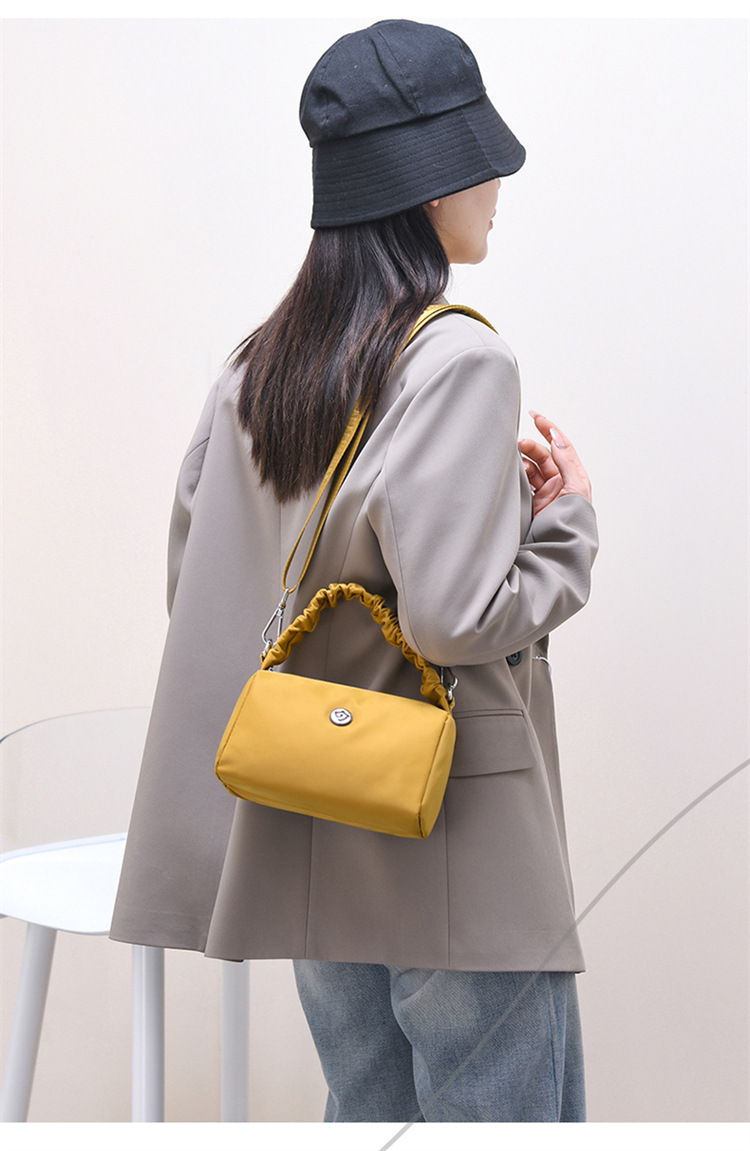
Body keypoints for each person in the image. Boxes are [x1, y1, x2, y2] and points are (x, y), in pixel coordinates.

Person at [110, 19, 598, 1123]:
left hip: (310, 816)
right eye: (483, 162)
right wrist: (564, 526)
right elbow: (455, 619)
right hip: (450, 835)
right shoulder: (459, 358)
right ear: (434, 183)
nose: (497, 187)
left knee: (367, 1117)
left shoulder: (257, 367)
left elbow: (204, 587)